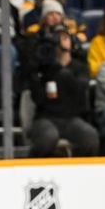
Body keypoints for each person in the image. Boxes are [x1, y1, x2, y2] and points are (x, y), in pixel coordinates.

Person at [27, 24, 99, 157]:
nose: (61, 41)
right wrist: (42, 68)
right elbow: (38, 98)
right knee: (48, 137)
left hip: (71, 118)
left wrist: (61, 71)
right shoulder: (43, 67)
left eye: (65, 37)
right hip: (45, 118)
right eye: (57, 38)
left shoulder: (81, 67)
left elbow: (80, 91)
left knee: (90, 137)